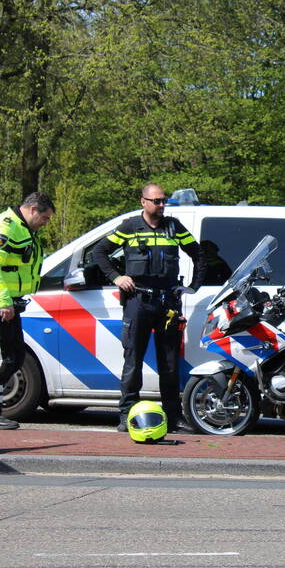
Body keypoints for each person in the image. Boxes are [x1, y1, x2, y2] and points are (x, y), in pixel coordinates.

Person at [92, 183, 206, 432]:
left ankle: (173, 416)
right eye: (156, 201)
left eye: (163, 200)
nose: (161, 205)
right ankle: (127, 414)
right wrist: (116, 277)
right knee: (133, 360)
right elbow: (99, 252)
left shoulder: (173, 227)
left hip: (167, 304)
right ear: (143, 202)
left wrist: (193, 287)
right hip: (137, 302)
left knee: (169, 363)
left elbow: (198, 254)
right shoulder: (130, 227)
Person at [0, 192, 55, 430]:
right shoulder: (4, 228)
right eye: (45, 218)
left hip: (8, 301)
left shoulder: (23, 228)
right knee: (2, 357)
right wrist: (4, 301)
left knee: (15, 356)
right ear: (32, 210)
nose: (45, 223)